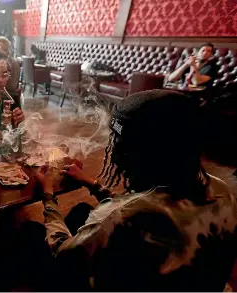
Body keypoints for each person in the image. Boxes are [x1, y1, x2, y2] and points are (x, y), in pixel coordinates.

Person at [35, 89, 237, 291]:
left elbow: (60, 252)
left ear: (140, 155)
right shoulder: (225, 192)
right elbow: (148, 208)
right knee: (81, 210)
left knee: (31, 234)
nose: (114, 154)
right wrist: (92, 183)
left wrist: (48, 194)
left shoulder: (121, 217)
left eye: (119, 146)